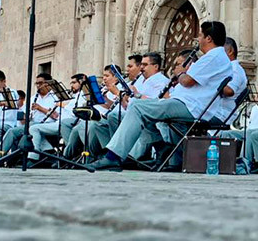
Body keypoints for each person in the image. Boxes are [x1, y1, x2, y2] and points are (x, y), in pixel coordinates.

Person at [89, 21, 232, 171]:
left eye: (201, 35)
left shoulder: (213, 57)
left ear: (209, 38)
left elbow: (187, 81)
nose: (198, 39)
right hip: (187, 104)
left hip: (191, 106)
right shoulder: (215, 57)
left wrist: (180, 73)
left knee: (138, 107)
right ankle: (162, 147)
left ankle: (114, 157)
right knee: (144, 110)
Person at [28, 74, 86, 162]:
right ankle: (47, 151)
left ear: (81, 83)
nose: (71, 85)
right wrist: (53, 111)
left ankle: (36, 156)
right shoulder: (70, 96)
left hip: (69, 124)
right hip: (58, 122)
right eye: (71, 83)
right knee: (33, 128)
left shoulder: (82, 95)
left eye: (74, 83)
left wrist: (63, 104)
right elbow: (57, 114)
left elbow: (76, 110)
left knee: (34, 128)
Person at [0, 72, 57, 155]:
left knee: (32, 128)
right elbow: (24, 114)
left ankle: (47, 150)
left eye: (40, 83)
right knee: (12, 131)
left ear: (48, 84)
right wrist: (27, 117)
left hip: (48, 124)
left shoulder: (55, 97)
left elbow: (56, 116)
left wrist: (40, 108)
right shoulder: (34, 98)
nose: (38, 86)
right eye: (36, 83)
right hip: (32, 124)